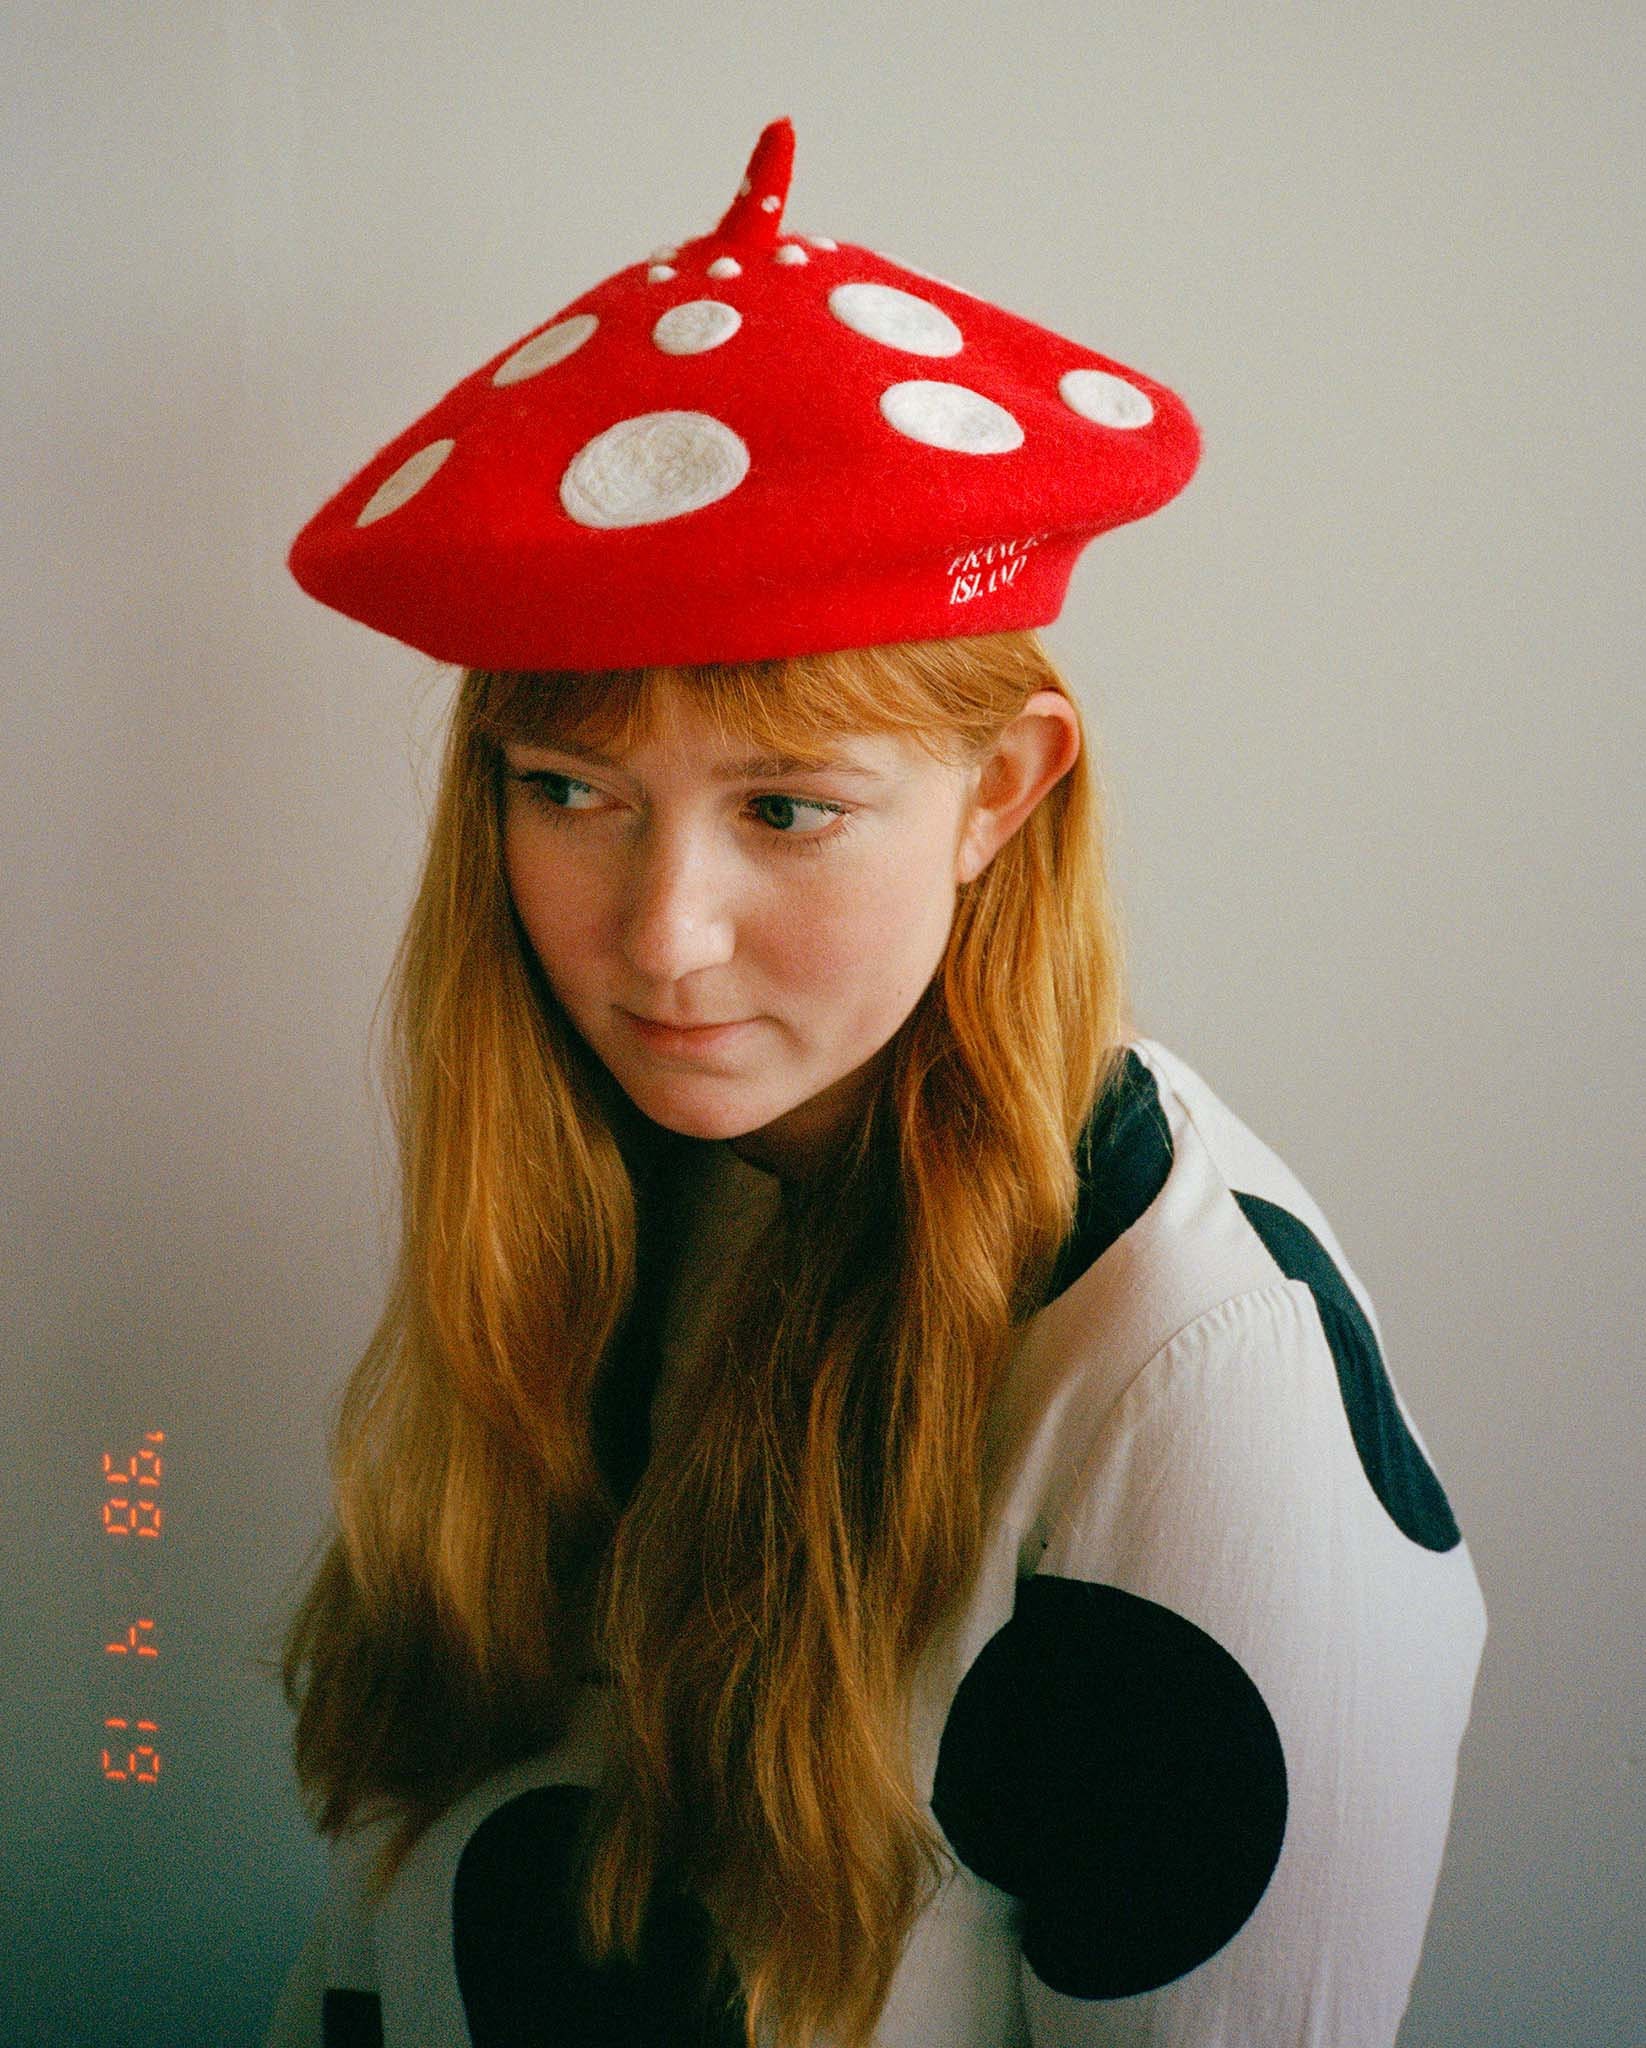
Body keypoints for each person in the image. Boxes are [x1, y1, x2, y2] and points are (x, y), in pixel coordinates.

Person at [265, 117, 1487, 2048]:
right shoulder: (608, 1192)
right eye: (568, 790)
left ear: (1000, 790)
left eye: (788, 807)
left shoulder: (1193, 1382)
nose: (662, 937)